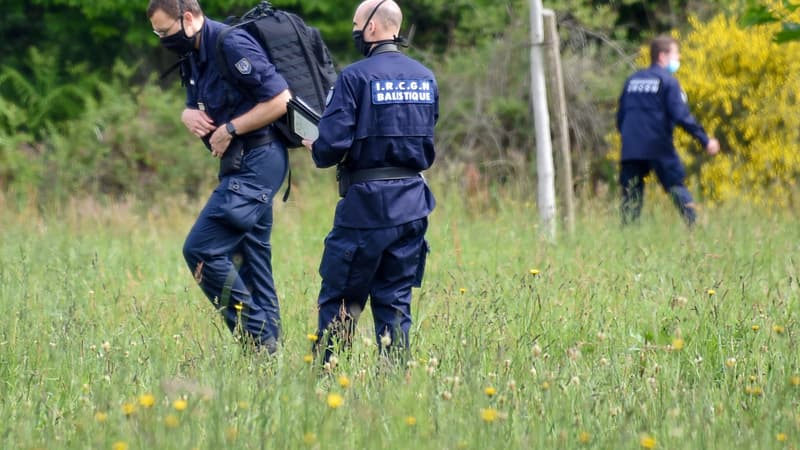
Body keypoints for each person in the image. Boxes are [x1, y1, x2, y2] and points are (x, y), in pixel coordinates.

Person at [147, 0, 292, 353]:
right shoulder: (195, 52)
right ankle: (270, 361)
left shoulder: (230, 43)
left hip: (260, 159)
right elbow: (196, 103)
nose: (164, 40)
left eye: (166, 32)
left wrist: (231, 128)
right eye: (157, 34)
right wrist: (187, 115)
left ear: (189, 17)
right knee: (250, 260)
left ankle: (258, 341)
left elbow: (281, 100)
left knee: (201, 249)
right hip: (239, 164)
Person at [302, 0, 438, 362]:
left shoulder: (355, 77)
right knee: (394, 304)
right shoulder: (425, 77)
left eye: (356, 24)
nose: (355, 31)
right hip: (412, 204)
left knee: (341, 300)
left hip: (365, 208)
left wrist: (316, 146)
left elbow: (331, 146)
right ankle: (394, 387)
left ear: (373, 28)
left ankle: (327, 379)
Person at [617, 35, 720, 226]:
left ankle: (627, 239)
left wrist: (630, 137)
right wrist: (705, 140)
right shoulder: (668, 82)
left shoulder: (632, 80)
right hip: (658, 146)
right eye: (675, 54)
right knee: (675, 186)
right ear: (662, 56)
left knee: (630, 199)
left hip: (631, 148)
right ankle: (695, 230)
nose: (678, 58)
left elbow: (620, 117)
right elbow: (682, 116)